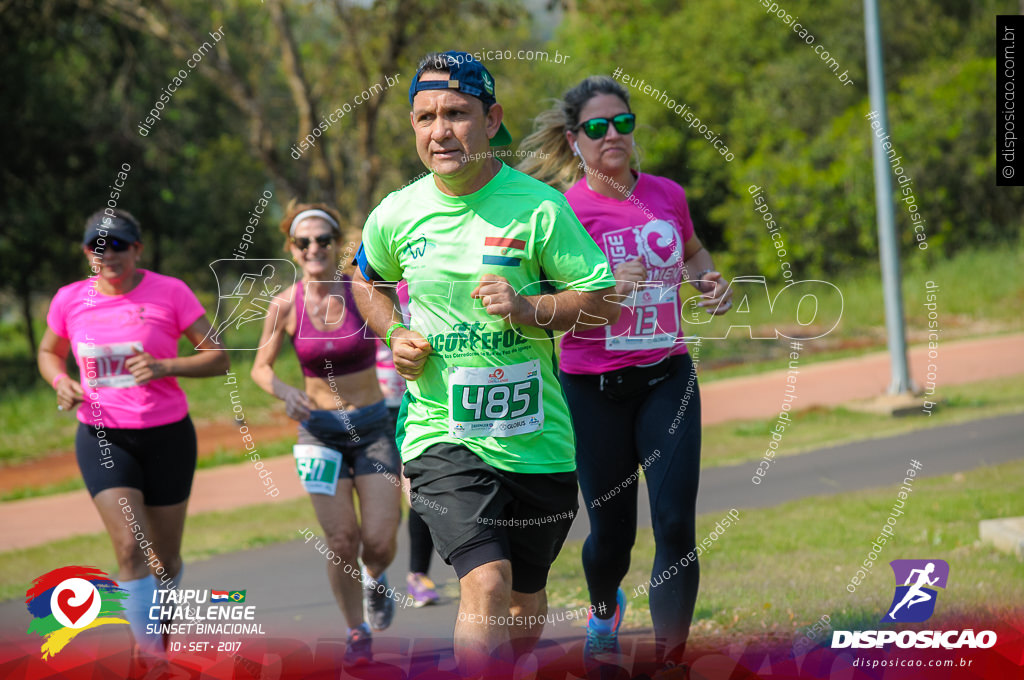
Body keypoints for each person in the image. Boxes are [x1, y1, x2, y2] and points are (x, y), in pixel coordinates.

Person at [351, 51, 621, 674]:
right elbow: (364, 282)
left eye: (456, 113)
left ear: (492, 118)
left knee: (524, 604)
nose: (439, 131)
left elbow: (603, 302)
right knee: (486, 583)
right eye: (425, 117)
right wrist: (395, 331)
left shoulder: (539, 208)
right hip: (442, 433)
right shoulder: (396, 212)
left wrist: (530, 309)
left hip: (536, 440)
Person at [518, 76, 733, 668]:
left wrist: (708, 282)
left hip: (667, 376)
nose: (612, 134)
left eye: (622, 122)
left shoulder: (666, 194)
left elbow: (692, 253)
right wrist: (608, 292)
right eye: (596, 126)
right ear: (573, 138)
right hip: (593, 389)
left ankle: (670, 657)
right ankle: (604, 609)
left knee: (674, 522)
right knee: (612, 538)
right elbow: (547, 311)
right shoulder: (560, 212)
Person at [37, 209, 229, 665]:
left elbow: (219, 358)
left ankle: (156, 638)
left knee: (165, 560)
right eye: (98, 247)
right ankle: (149, 661)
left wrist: (166, 366)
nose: (108, 255)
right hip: (104, 438)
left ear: (137, 249)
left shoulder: (171, 292)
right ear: (87, 253)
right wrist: (58, 380)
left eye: (119, 245)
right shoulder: (69, 300)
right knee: (129, 547)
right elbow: (49, 350)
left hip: (167, 436)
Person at [249, 202, 401, 666]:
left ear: (336, 246)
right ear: (291, 250)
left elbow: (400, 331)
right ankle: (356, 632)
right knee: (340, 541)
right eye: (304, 241)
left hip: (374, 427)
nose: (314, 248)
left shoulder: (359, 292)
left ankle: (376, 577)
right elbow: (260, 368)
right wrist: (282, 391)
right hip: (318, 434)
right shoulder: (284, 305)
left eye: (323, 240)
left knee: (378, 538)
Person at [373, 284, 441, 608]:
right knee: (383, 502)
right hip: (373, 408)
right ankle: (374, 569)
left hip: (417, 402)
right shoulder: (358, 294)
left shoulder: (426, 279)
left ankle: (417, 574)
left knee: (414, 489)